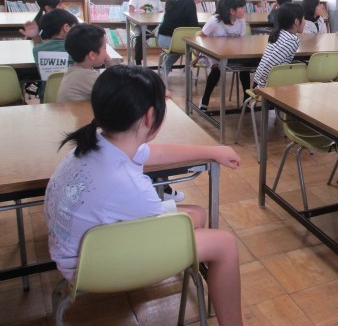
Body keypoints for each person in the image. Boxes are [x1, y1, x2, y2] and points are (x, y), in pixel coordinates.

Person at [44, 66, 242, 325]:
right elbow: (179, 222)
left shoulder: (96, 143)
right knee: (223, 242)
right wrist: (195, 216)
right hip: (94, 268)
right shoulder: (128, 182)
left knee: (194, 216)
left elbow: (155, 152)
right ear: (150, 117)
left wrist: (213, 151)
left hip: (73, 254)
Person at [197, 0, 251, 110]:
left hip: (232, 53)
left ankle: (246, 100)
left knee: (245, 68)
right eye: (242, 7)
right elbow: (201, 37)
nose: (244, 10)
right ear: (232, 11)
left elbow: (241, 40)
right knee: (217, 68)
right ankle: (205, 100)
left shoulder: (241, 21)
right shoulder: (214, 21)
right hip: (213, 53)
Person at [253, 2, 304, 88]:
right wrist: (260, 88)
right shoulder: (291, 40)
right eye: (304, 19)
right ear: (296, 21)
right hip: (266, 85)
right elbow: (270, 64)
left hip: (259, 80)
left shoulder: (280, 32)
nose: (305, 22)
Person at [157, 0, 200, 75]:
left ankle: (165, 69)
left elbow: (180, 12)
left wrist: (193, 2)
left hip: (162, 38)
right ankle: (187, 72)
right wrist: (193, 3)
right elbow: (193, 26)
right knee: (191, 44)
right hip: (173, 41)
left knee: (181, 46)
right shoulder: (189, 2)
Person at [57, 24, 110, 102]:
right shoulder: (87, 76)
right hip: (75, 110)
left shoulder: (73, 70)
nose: (106, 52)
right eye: (104, 48)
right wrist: (109, 62)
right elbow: (118, 89)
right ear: (92, 55)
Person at [128, 0, 163, 65]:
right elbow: (131, 11)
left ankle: (165, 60)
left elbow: (161, 13)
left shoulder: (156, 1)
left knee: (166, 31)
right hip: (138, 25)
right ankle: (138, 61)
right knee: (141, 36)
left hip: (153, 25)